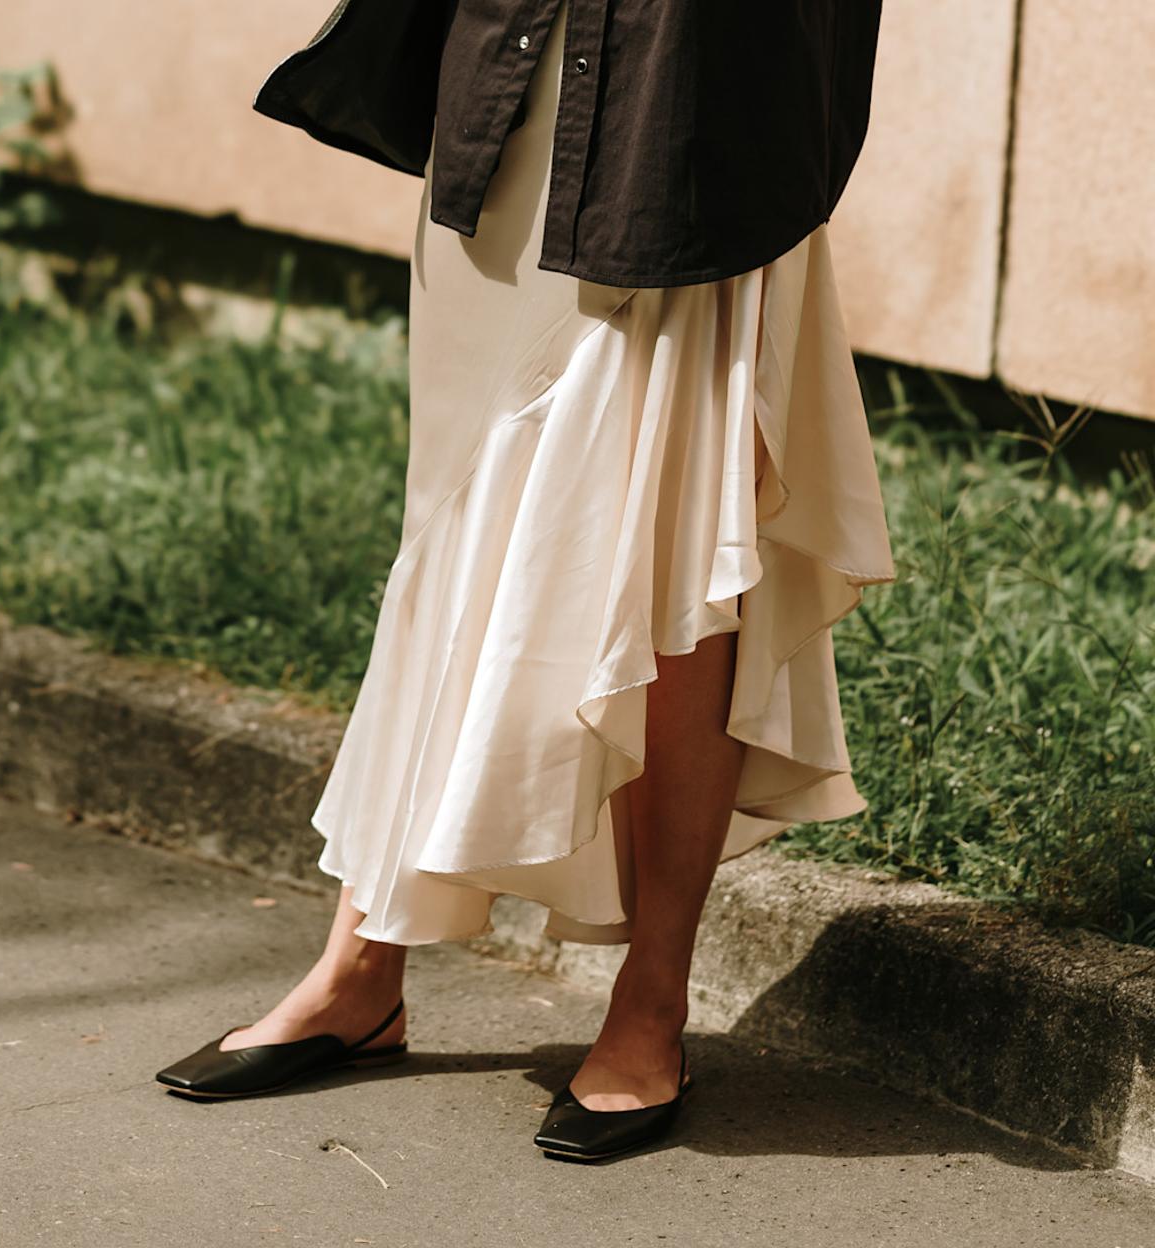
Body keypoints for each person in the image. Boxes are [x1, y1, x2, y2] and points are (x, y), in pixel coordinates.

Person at [156, 0, 895, 1163]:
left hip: (694, 118)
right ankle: (363, 969)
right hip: (513, 72)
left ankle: (652, 1004)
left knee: (670, 552)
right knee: (449, 532)